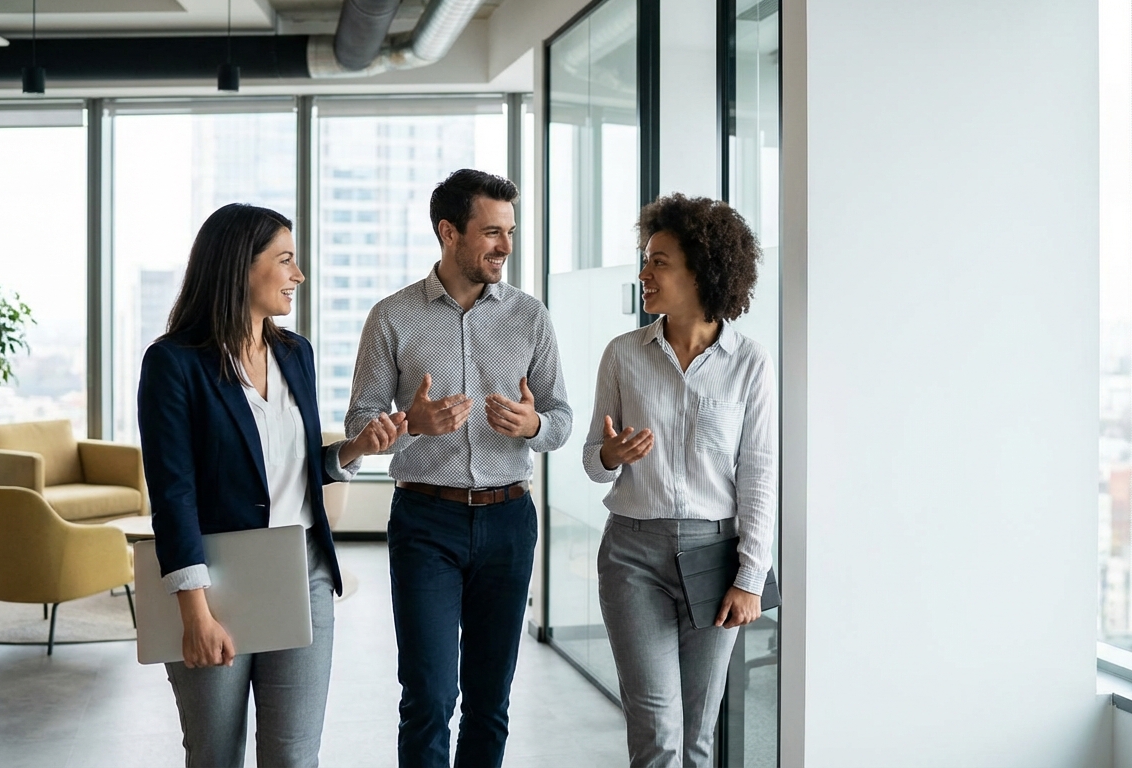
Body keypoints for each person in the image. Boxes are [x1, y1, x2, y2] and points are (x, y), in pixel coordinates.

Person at [138, 202, 406, 768]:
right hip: (215, 581)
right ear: (240, 267)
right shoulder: (173, 363)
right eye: (285, 260)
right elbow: (173, 495)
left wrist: (355, 450)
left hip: (302, 569)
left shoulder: (295, 354)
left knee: (294, 756)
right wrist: (196, 614)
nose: (298, 275)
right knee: (215, 754)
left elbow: (297, 466)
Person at [346, 168, 572, 768]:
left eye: (511, 232)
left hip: (509, 521)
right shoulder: (392, 316)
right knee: (428, 696)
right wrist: (410, 423)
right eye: (492, 232)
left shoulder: (530, 316)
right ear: (449, 232)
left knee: (489, 702)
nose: (506, 246)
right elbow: (357, 427)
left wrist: (535, 427)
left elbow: (561, 416)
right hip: (425, 523)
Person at [584, 193, 777, 768]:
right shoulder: (623, 355)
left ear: (702, 271)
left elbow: (760, 474)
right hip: (632, 557)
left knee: (697, 735)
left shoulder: (750, 363)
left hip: (715, 559)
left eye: (659, 262)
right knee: (657, 730)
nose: (644, 274)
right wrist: (612, 455)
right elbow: (594, 462)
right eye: (646, 260)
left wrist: (750, 577)